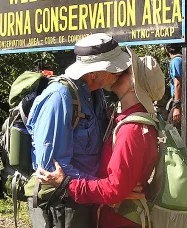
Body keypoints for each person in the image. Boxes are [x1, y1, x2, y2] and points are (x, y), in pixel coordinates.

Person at [37, 48, 166, 228]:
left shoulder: (132, 129)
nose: (119, 69)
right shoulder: (122, 118)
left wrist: (67, 183)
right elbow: (115, 185)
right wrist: (116, 188)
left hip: (120, 220)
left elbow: (114, 190)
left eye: (126, 70)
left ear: (133, 83)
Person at [26, 33, 132, 227]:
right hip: (62, 205)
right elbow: (50, 168)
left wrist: (108, 187)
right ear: (93, 72)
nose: (119, 74)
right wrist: (105, 189)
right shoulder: (59, 98)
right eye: (115, 70)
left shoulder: (96, 92)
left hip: (85, 196)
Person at [165, 43, 182, 124]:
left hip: (180, 102)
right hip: (185, 101)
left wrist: (177, 107)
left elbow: (178, 83)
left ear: (166, 49)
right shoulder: (183, 58)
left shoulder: (176, 61)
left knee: (171, 131)